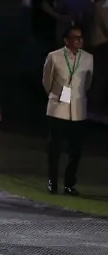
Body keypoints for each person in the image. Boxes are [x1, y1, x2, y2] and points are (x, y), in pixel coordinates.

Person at [42, 26, 93, 196]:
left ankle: (70, 183)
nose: (79, 40)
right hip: (58, 108)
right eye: (75, 37)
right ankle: (53, 182)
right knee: (55, 148)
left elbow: (88, 83)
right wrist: (55, 96)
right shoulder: (54, 56)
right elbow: (46, 81)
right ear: (66, 40)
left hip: (78, 110)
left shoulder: (88, 58)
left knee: (76, 150)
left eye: (81, 37)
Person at [87, 0, 108, 115]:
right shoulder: (101, 10)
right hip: (102, 46)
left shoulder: (90, 9)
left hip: (92, 44)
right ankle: (98, 104)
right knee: (102, 76)